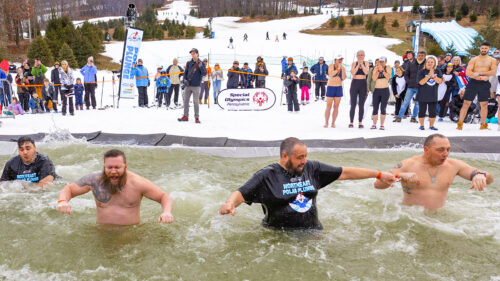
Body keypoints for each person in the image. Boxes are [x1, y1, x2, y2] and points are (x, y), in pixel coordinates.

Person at [219, 137, 396, 230]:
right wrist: (229, 204)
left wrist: (379, 174)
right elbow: (240, 194)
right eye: (299, 157)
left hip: (313, 232)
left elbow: (345, 172)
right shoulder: (267, 176)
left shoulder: (312, 168)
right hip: (279, 236)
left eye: (306, 156)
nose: (304, 161)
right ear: (284, 156)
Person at [375, 134, 494, 210]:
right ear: (426, 150)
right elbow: (378, 184)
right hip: (412, 217)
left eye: (448, 149)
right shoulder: (408, 164)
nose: (445, 154)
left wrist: (480, 175)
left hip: (439, 219)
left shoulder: (454, 165)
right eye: (440, 150)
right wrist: (399, 175)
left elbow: (489, 179)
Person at [57, 149, 174, 226]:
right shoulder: (94, 180)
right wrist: (62, 201)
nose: (113, 171)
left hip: (130, 235)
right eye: (109, 167)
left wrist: (166, 212)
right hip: (102, 234)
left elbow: (164, 196)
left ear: (125, 166)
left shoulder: (138, 183)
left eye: (117, 167)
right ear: (104, 167)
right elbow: (69, 189)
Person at [458, 42, 499, 130]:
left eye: (486, 48)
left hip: (484, 84)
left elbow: (493, 72)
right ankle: (460, 123)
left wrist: (479, 73)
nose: (484, 50)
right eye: (482, 48)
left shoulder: (492, 60)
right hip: (473, 83)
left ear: (489, 49)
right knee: (466, 103)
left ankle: (483, 124)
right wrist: (480, 77)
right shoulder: (474, 59)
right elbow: (468, 72)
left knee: (484, 104)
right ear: (480, 48)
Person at [178, 48, 206, 124]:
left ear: (197, 54)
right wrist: (184, 80)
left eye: (194, 53)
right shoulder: (188, 63)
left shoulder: (201, 63)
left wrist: (200, 65)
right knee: (186, 101)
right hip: (188, 85)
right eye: (192, 53)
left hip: (196, 86)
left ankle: (196, 117)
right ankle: (185, 116)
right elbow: (185, 73)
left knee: (195, 102)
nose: (192, 55)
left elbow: (204, 73)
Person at [416, 56, 443, 130]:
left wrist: (433, 76)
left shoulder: (438, 71)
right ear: (426, 63)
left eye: (432, 62)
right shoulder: (421, 71)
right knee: (422, 111)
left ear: (434, 63)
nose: (430, 63)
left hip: (433, 94)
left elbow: (440, 81)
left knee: (433, 112)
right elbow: (421, 82)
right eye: (428, 62)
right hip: (422, 95)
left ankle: (431, 126)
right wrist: (429, 76)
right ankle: (421, 125)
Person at [395, 50, 422, 123]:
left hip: (419, 86)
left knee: (417, 103)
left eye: (410, 54)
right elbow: (406, 74)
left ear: (413, 55)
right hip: (410, 86)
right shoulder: (407, 63)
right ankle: (399, 117)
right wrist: (408, 81)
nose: (409, 55)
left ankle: (413, 118)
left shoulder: (418, 62)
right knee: (405, 102)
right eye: (408, 55)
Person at [349, 50, 369, 128]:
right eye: (359, 55)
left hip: (363, 84)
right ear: (357, 56)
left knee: (361, 104)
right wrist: (358, 65)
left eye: (362, 55)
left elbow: (366, 72)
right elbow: (353, 72)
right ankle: (351, 122)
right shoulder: (354, 63)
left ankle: (360, 122)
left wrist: (362, 64)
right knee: (353, 104)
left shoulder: (366, 63)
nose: (360, 56)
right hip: (355, 83)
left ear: (364, 56)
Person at [324, 54, 346, 128]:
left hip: (338, 87)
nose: (340, 61)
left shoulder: (342, 67)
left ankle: (333, 122)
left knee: (336, 106)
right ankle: (326, 122)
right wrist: (337, 69)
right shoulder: (331, 66)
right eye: (339, 59)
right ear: (335, 60)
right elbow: (331, 74)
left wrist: (341, 69)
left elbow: (344, 77)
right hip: (331, 87)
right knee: (328, 106)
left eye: (341, 59)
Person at [371, 56, 392, 130]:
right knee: (375, 108)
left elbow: (388, 77)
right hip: (377, 90)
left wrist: (382, 70)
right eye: (380, 61)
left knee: (383, 108)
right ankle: (374, 124)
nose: (381, 63)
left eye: (382, 61)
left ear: (385, 62)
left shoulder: (388, 67)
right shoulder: (375, 68)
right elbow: (373, 78)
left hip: (385, 90)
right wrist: (377, 71)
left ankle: (382, 125)